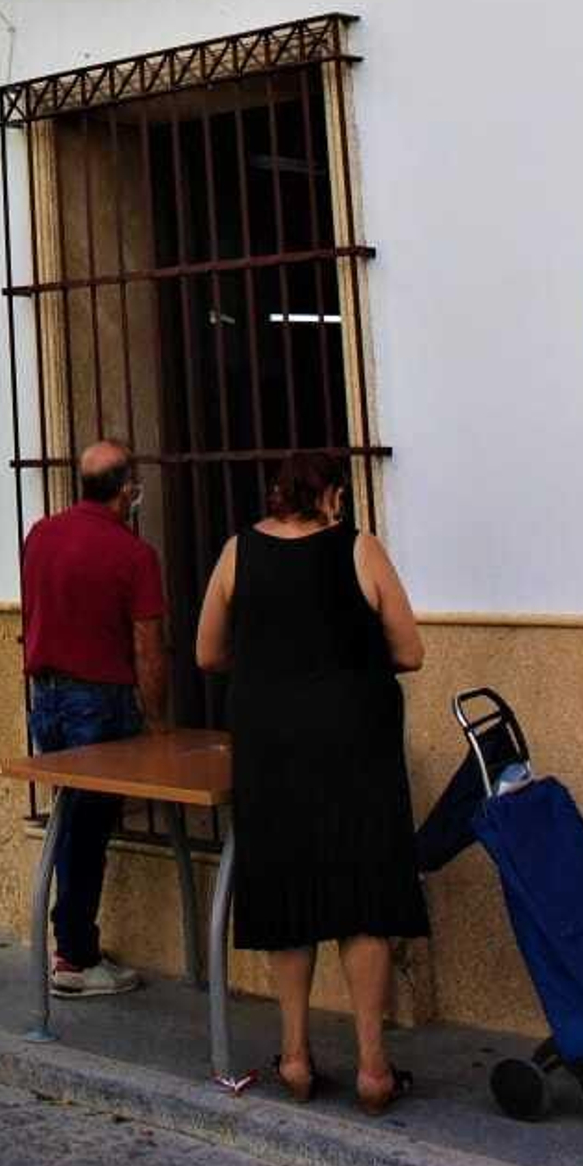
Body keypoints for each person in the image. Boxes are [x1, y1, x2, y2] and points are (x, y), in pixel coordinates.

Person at [195, 450, 428, 1113]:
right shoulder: (361, 550)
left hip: (271, 744)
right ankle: (374, 1068)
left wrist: (273, 664)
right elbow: (410, 650)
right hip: (356, 741)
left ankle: (295, 1058)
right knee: (363, 896)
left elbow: (208, 652)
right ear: (331, 495)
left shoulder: (238, 552)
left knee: (288, 894)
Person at [21, 439, 169, 995]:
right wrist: (157, 721)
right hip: (99, 701)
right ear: (127, 490)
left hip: (47, 698)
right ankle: (75, 957)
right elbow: (148, 646)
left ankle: (73, 945)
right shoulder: (134, 555)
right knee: (86, 831)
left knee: (69, 822)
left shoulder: (40, 536)